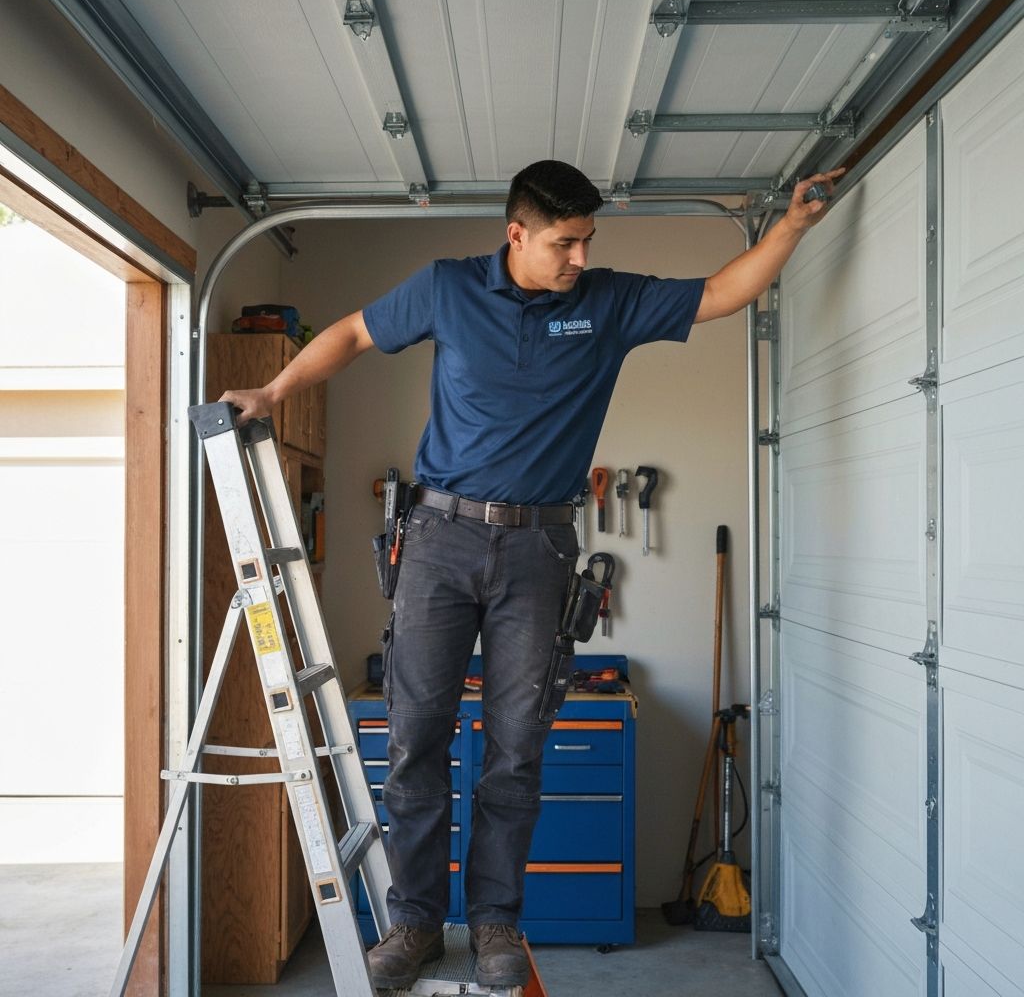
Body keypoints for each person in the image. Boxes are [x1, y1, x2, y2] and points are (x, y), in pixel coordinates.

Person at [221, 159, 843, 990]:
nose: (579, 257)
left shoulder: (609, 301)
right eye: (563, 242)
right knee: (417, 744)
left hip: (540, 553)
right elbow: (353, 334)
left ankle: (493, 923)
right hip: (437, 539)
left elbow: (723, 293)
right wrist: (274, 387)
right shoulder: (447, 288)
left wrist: (793, 226)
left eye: (587, 241)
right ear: (515, 233)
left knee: (516, 752)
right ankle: (411, 923)